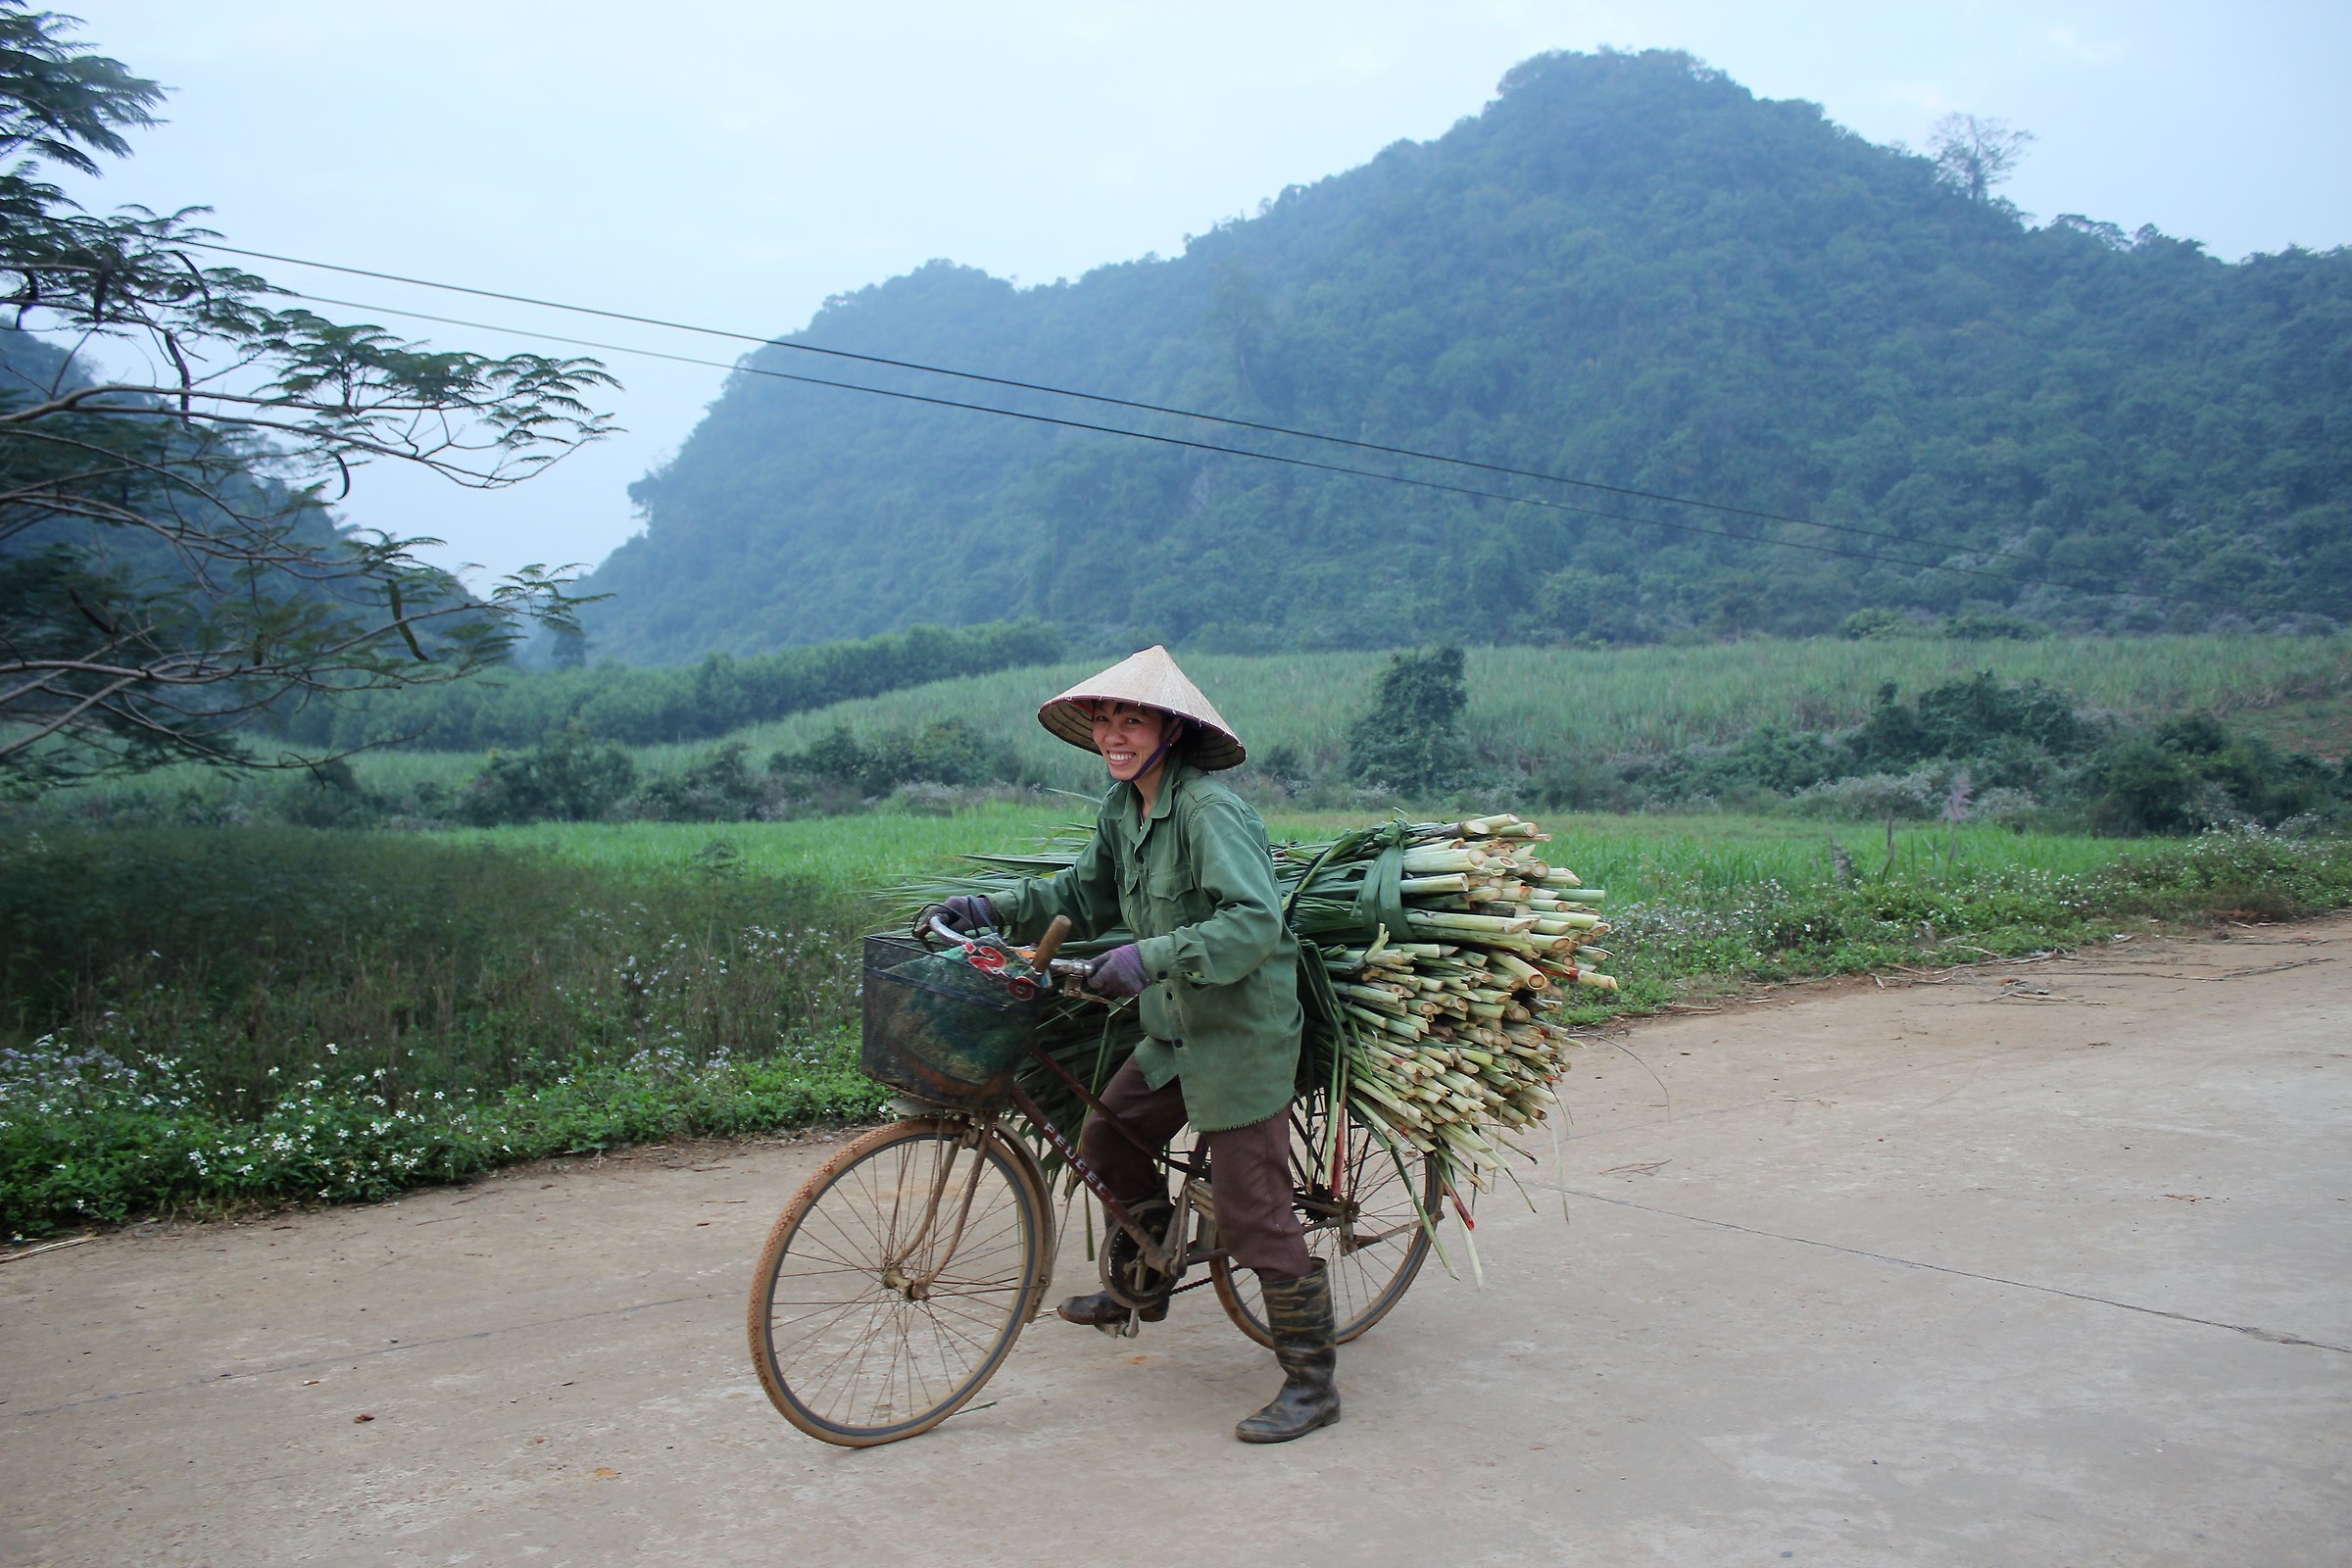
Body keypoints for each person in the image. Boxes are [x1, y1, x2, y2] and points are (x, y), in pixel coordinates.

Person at [915, 646, 1338, 1445]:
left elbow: (1255, 922)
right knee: (1108, 1136)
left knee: (1253, 1214)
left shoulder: (1209, 812)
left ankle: (1313, 1383)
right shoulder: (1123, 809)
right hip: (1175, 1028)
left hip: (1239, 1035)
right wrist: (989, 908)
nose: (1114, 734)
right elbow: (1081, 892)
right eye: (1106, 720)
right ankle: (1146, 1274)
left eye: (1132, 720)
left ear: (1170, 731)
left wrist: (1149, 956)